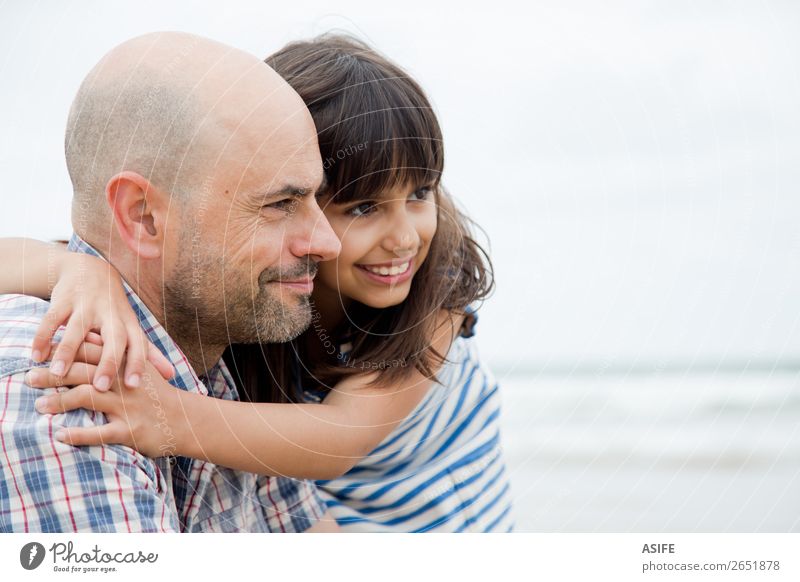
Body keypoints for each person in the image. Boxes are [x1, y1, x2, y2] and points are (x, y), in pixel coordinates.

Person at [2, 35, 514, 532]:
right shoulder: (230, 329)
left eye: (422, 192)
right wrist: (74, 268)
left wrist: (174, 418)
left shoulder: (429, 304)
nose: (404, 237)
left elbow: (335, 440)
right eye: (362, 207)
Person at [0, 31, 342, 532]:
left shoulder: (218, 363)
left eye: (316, 199)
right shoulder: (61, 394)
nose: (328, 242)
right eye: (279, 204)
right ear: (144, 218)